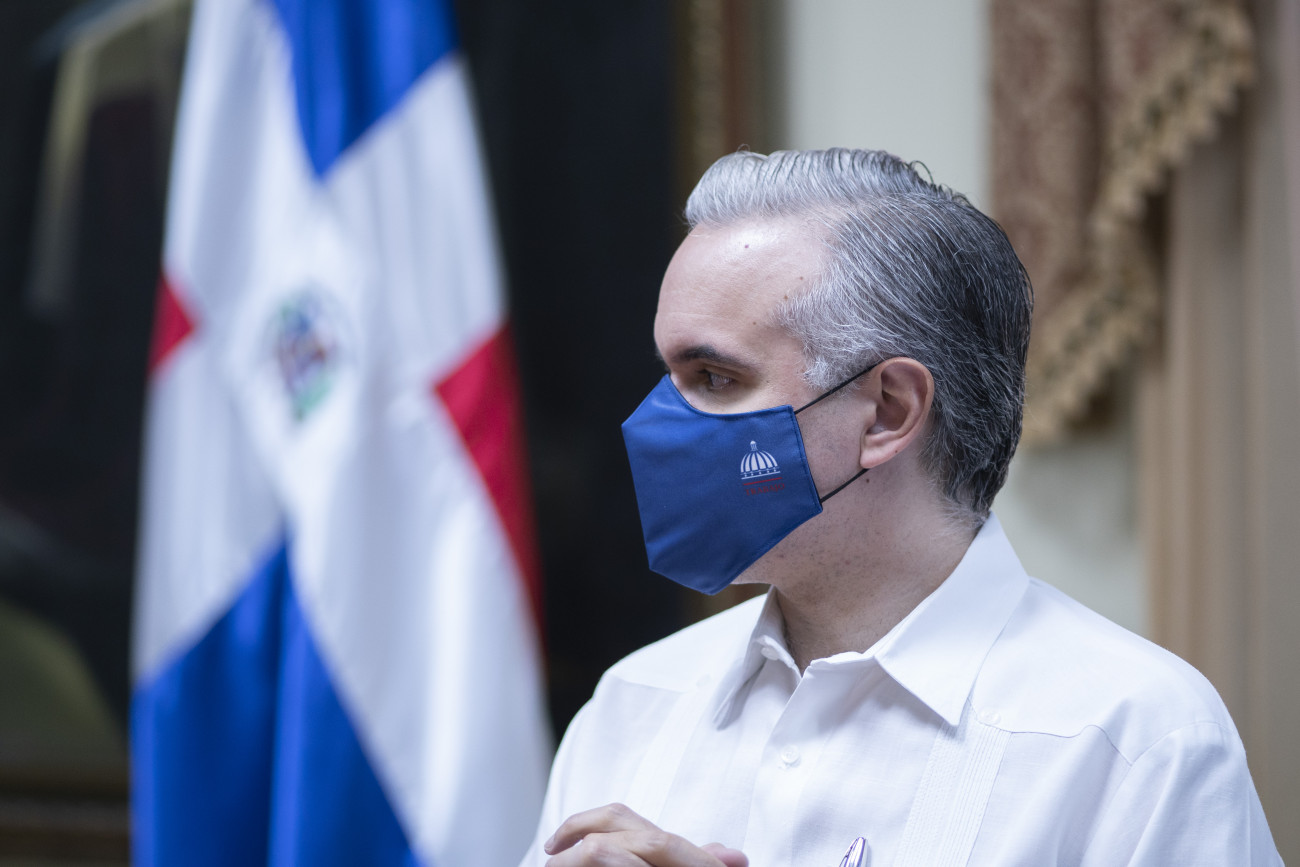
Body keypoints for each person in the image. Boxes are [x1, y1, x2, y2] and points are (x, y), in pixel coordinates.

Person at [521, 149, 1280, 866]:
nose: (656, 424)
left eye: (714, 378)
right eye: (669, 377)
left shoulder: (1132, 741)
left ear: (887, 410)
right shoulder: (632, 706)